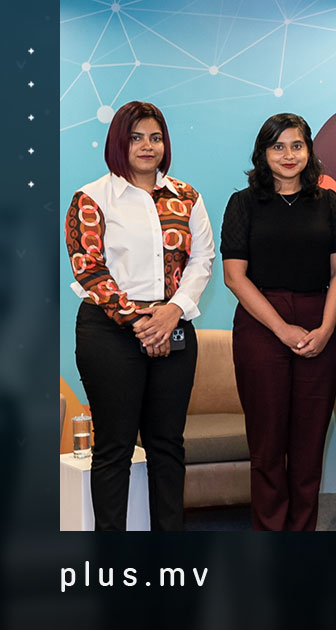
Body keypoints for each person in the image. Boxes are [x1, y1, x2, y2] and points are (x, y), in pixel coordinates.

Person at [66, 100, 215, 530]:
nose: (148, 146)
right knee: (113, 448)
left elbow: (202, 260)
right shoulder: (91, 198)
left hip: (174, 326)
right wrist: (140, 322)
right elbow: (89, 268)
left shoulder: (187, 197)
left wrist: (172, 313)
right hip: (108, 334)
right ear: (119, 142)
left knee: (168, 445)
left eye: (155, 137)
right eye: (136, 138)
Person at [221, 113, 336, 531]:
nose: (288, 154)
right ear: (263, 153)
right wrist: (281, 328)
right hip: (262, 325)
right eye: (278, 146)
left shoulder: (328, 202)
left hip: (319, 321)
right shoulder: (243, 203)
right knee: (268, 444)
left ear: (309, 150)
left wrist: (326, 329)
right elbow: (234, 276)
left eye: (297, 145)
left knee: (309, 444)